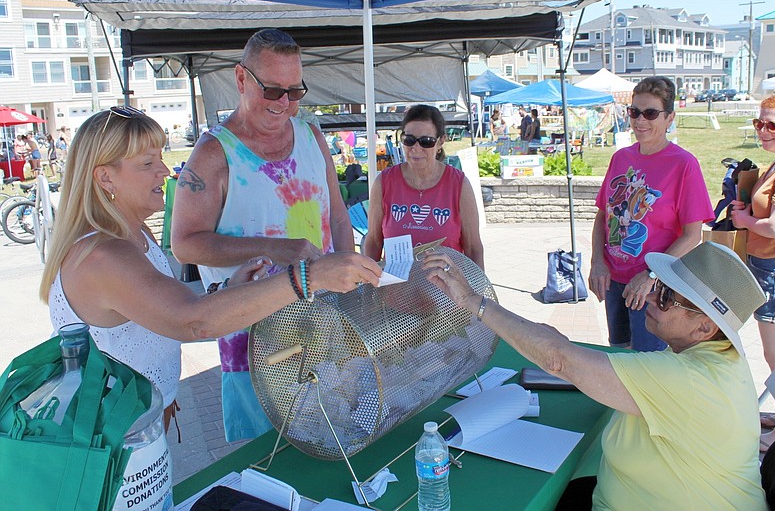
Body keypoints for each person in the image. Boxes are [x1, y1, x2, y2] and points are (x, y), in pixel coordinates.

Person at [39, 107, 381, 433]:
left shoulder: (135, 234)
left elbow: (158, 310)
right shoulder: (102, 255)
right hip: (103, 441)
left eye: (160, 157)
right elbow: (192, 321)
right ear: (104, 176)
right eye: (147, 163)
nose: (165, 170)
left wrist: (227, 290)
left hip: (135, 427)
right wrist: (310, 277)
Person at [425, 242, 768, 510]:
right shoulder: (708, 357)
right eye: (659, 286)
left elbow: (559, 359)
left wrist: (473, 301)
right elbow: (564, 357)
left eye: (666, 296)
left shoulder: (688, 378)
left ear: (705, 326)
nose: (650, 295)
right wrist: (557, 350)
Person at [170, 29, 355, 441]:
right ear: (240, 79)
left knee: (333, 441)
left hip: (323, 327)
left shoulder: (311, 136)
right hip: (253, 340)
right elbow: (185, 242)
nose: (284, 104)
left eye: (295, 91)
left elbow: (339, 220)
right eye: (272, 90)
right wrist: (274, 248)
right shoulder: (214, 153)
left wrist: (352, 287)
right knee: (264, 464)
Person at [589, 76, 713, 352]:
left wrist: (650, 275)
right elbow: (603, 215)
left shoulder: (684, 165)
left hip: (653, 288)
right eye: (634, 111)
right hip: (614, 279)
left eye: (650, 113)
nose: (640, 120)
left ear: (669, 118)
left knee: (648, 362)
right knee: (619, 353)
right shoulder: (621, 158)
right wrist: (597, 261)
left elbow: (693, 235)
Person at [731, 92, 775, 451]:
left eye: (773, 124)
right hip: (773, 266)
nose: (763, 130)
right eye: (760, 123)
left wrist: (743, 219)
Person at [363, 104, 484, 269]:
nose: (416, 148)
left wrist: (476, 292)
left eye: (426, 141)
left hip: (445, 293)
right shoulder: (384, 182)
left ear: (441, 141)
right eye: (409, 140)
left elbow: (473, 248)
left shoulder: (459, 185)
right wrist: (366, 286)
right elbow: (374, 241)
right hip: (394, 292)